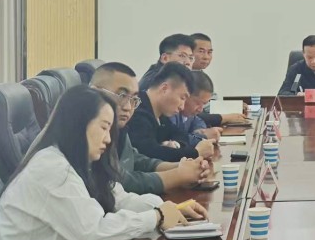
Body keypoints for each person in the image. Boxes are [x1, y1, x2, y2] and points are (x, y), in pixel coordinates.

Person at [0, 85, 206, 240]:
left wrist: (170, 210)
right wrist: (157, 216)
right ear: (78, 124)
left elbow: (120, 199)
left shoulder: (78, 163)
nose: (108, 138)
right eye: (103, 127)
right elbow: (93, 231)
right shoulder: (52, 169)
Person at [90, 62, 210, 194]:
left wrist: (184, 167)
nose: (128, 107)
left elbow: (135, 159)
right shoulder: (86, 134)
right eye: (122, 96)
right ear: (94, 91)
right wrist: (179, 175)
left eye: (133, 99)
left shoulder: (119, 126)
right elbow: (118, 180)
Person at [127, 63, 215, 163]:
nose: (182, 106)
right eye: (182, 98)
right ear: (164, 88)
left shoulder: (161, 114)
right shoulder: (137, 111)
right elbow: (150, 153)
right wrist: (196, 152)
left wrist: (176, 144)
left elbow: (180, 135)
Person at [190, 32, 248, 127]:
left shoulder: (201, 75)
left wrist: (234, 106)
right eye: (201, 51)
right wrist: (226, 117)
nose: (206, 57)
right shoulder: (184, 79)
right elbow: (195, 114)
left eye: (209, 52)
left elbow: (210, 104)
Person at [167, 70, 223, 147]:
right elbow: (178, 141)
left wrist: (201, 132)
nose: (200, 109)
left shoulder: (189, 114)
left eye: (204, 104)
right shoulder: (170, 113)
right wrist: (205, 136)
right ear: (186, 95)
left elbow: (198, 121)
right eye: (198, 103)